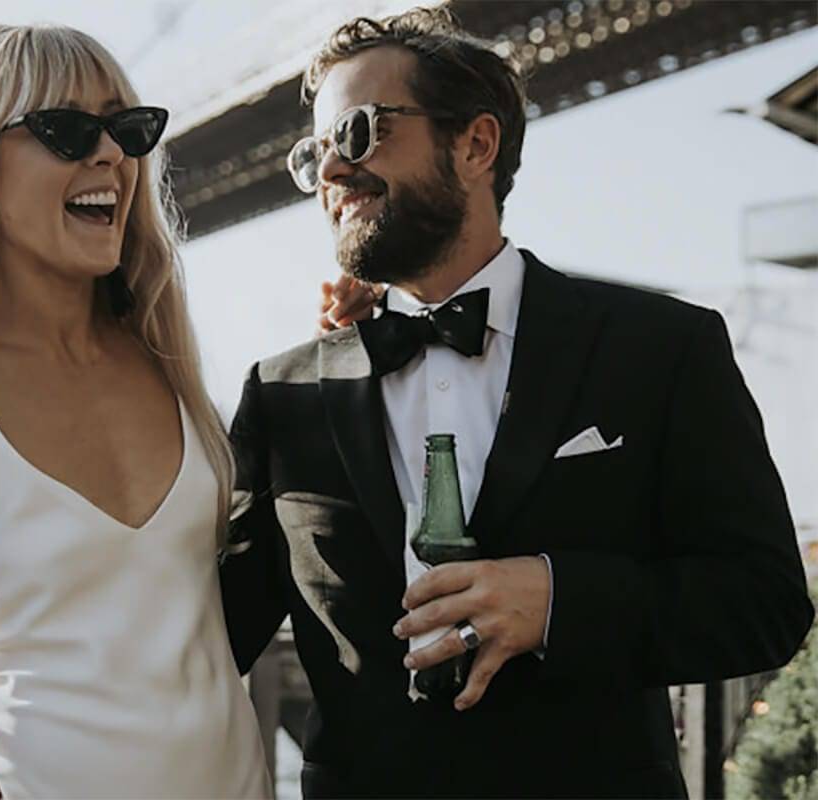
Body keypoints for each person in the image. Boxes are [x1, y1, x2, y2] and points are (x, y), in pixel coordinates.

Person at [0, 23, 377, 799]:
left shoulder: (169, 363)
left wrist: (345, 358)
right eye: (68, 130)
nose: (111, 155)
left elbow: (223, 581)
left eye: (126, 129)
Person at [218, 7, 815, 799]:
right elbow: (204, 635)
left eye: (359, 132)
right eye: (316, 151)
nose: (332, 171)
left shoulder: (659, 348)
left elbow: (765, 601)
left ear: (476, 145)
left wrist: (560, 599)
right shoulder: (284, 392)